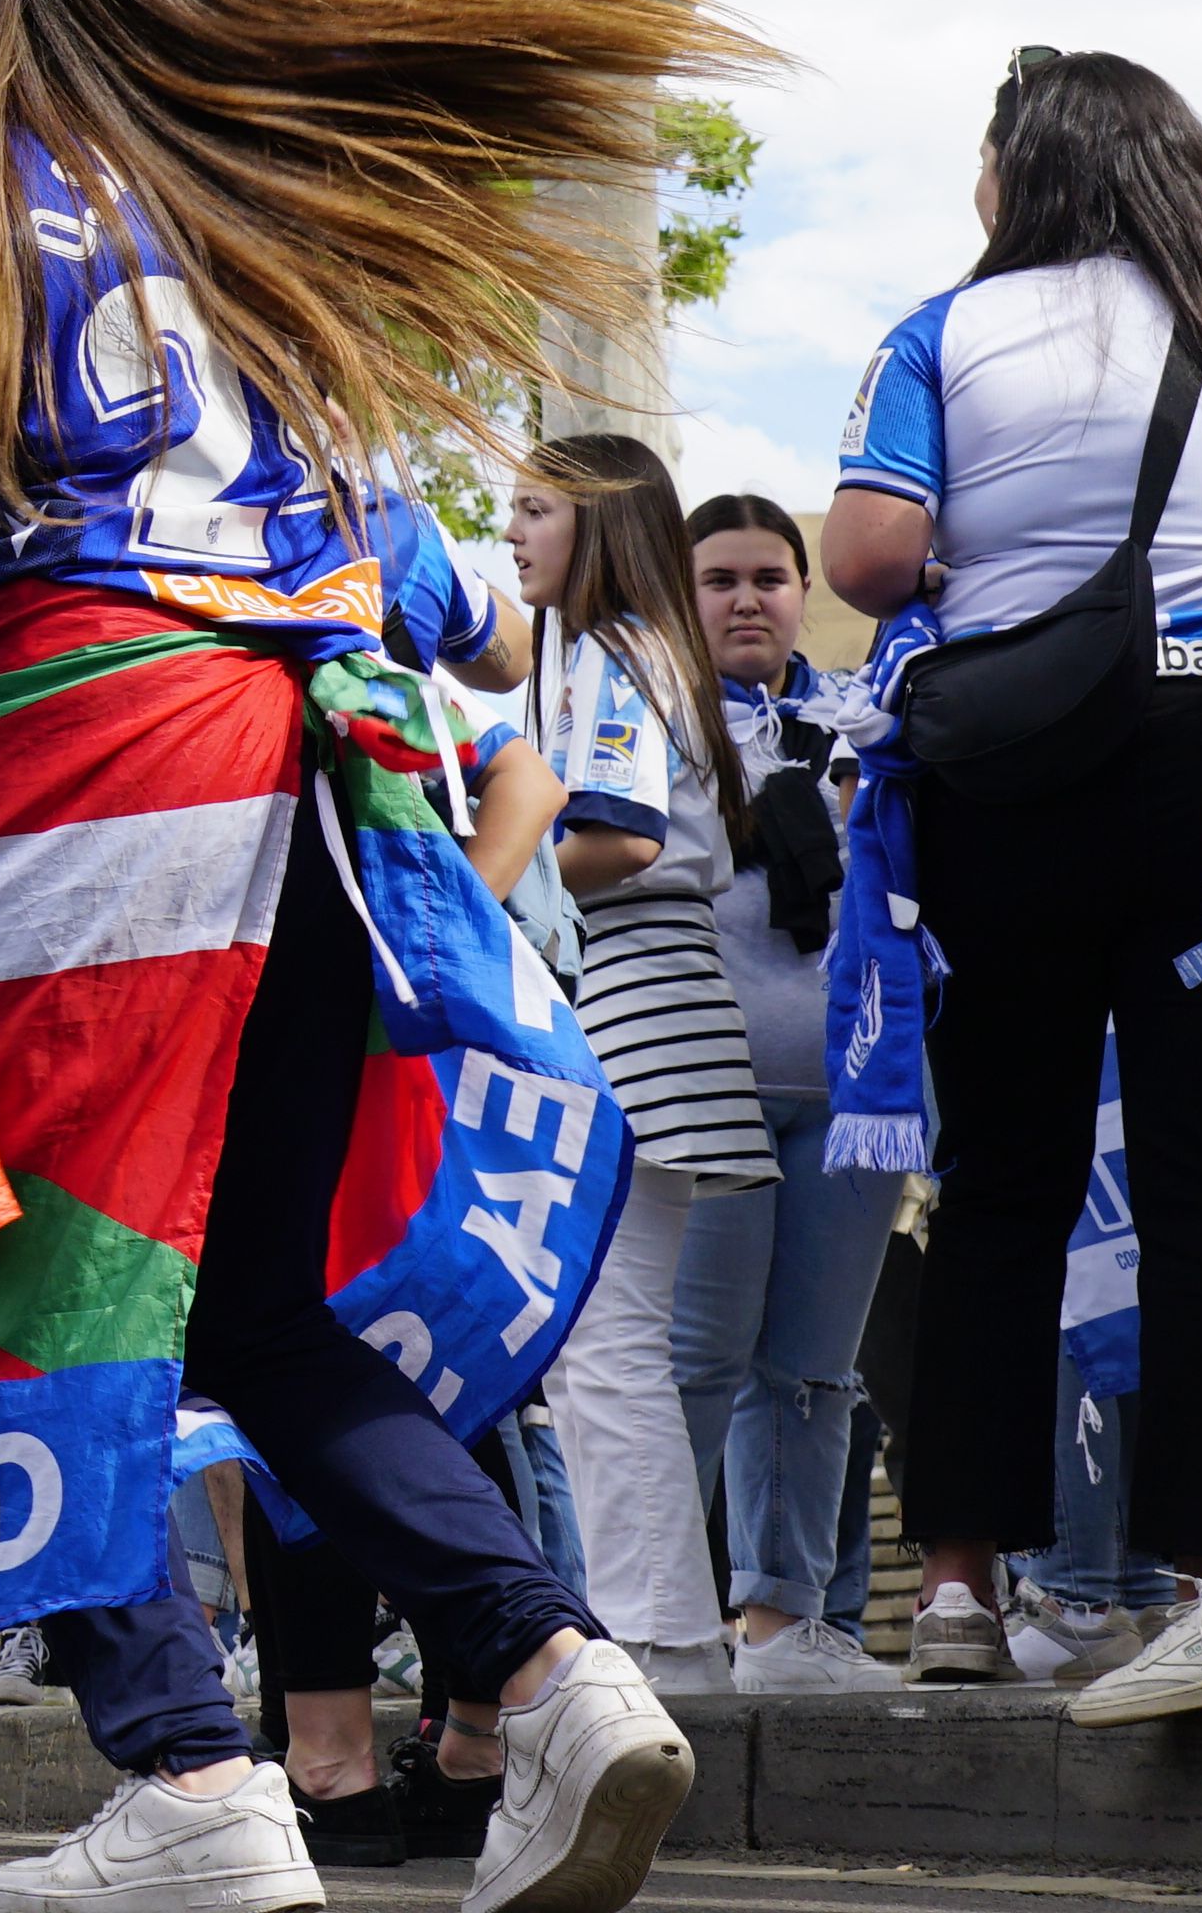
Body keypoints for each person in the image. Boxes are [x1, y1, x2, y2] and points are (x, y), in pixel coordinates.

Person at [0, 0, 741, 1913]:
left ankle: (185, 1770)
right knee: (262, 1302)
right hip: (323, 781)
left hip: (90, 788)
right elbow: (454, 600)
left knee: (32, 1287)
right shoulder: (262, 222)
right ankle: (551, 1665)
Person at [830, 54, 1202, 1726]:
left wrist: (993, 555)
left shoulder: (938, 333)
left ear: (1017, 173)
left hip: (1011, 768)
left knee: (1004, 1177)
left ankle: (954, 1576)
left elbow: (869, 557)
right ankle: (1200, 1570)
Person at [515, 436, 765, 1698]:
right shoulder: (618, 649)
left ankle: (657, 1639)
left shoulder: (615, 651)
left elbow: (614, 835)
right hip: (646, 992)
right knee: (610, 1341)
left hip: (631, 991)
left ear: (598, 524)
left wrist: (473, 884)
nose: (510, 532)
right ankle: (660, 1632)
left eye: (533, 508)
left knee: (603, 1342)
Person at [668, 496, 900, 1698]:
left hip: (859, 1092)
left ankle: (785, 1620)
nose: (748, 598)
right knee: (698, 1360)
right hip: (709, 1081)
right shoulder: (652, 725)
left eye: (769, 576)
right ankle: (661, 1617)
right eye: (719, 579)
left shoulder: (875, 714)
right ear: (681, 592)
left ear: (805, 588)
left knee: (814, 1366)